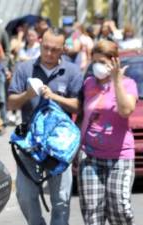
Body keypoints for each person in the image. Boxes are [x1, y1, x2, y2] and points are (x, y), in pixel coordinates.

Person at [7, 28, 83, 225]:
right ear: (40, 43)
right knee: (24, 195)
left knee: (61, 199)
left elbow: (79, 106)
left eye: (55, 50)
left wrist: (55, 97)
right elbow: (10, 103)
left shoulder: (72, 71)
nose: (49, 53)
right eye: (46, 48)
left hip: (59, 147)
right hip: (29, 144)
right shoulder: (24, 69)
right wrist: (27, 95)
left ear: (63, 49)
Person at [78, 40, 137, 225]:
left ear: (114, 62)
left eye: (103, 62)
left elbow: (126, 110)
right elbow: (81, 113)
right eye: (95, 61)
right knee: (92, 214)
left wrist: (117, 80)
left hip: (120, 158)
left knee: (119, 209)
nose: (98, 66)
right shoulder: (88, 83)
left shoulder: (128, 84)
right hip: (90, 156)